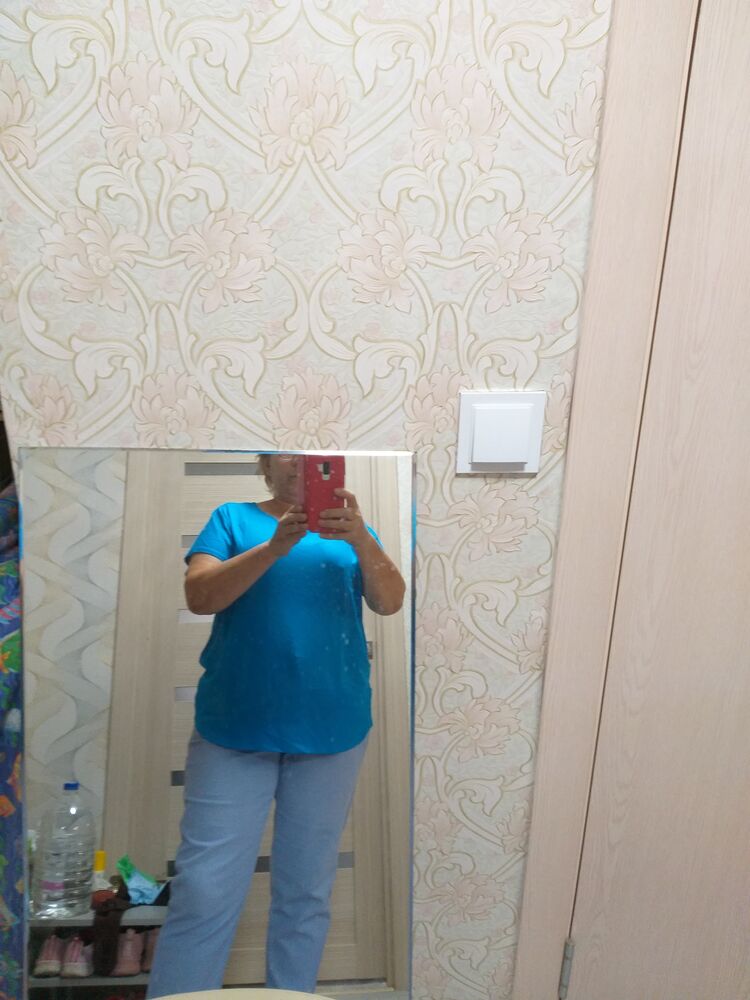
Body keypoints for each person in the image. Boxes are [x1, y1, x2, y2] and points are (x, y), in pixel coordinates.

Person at [146, 453, 405, 997]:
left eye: (311, 453)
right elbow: (200, 596)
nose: (299, 463)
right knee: (204, 889)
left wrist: (362, 539)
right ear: (264, 467)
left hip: (332, 730)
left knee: (306, 891)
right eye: (284, 453)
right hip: (234, 727)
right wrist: (273, 547)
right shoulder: (232, 517)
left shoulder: (352, 528)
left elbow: (389, 602)